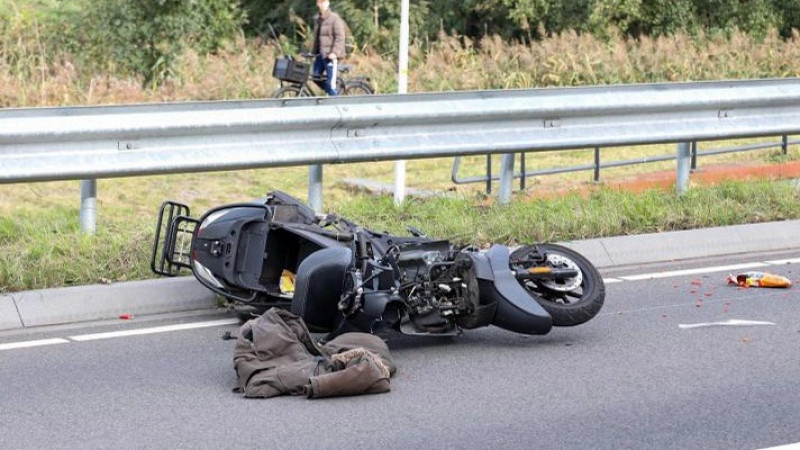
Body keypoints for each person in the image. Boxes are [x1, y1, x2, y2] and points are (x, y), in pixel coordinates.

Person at [311, 0, 347, 96]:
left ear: (328, 3)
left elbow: (340, 37)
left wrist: (334, 52)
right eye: (320, 2)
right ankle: (331, 93)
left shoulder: (335, 19)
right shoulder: (317, 19)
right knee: (315, 77)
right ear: (317, 3)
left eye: (324, 1)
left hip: (330, 56)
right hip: (320, 55)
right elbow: (317, 39)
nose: (322, 4)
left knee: (331, 85)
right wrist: (312, 52)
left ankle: (336, 101)